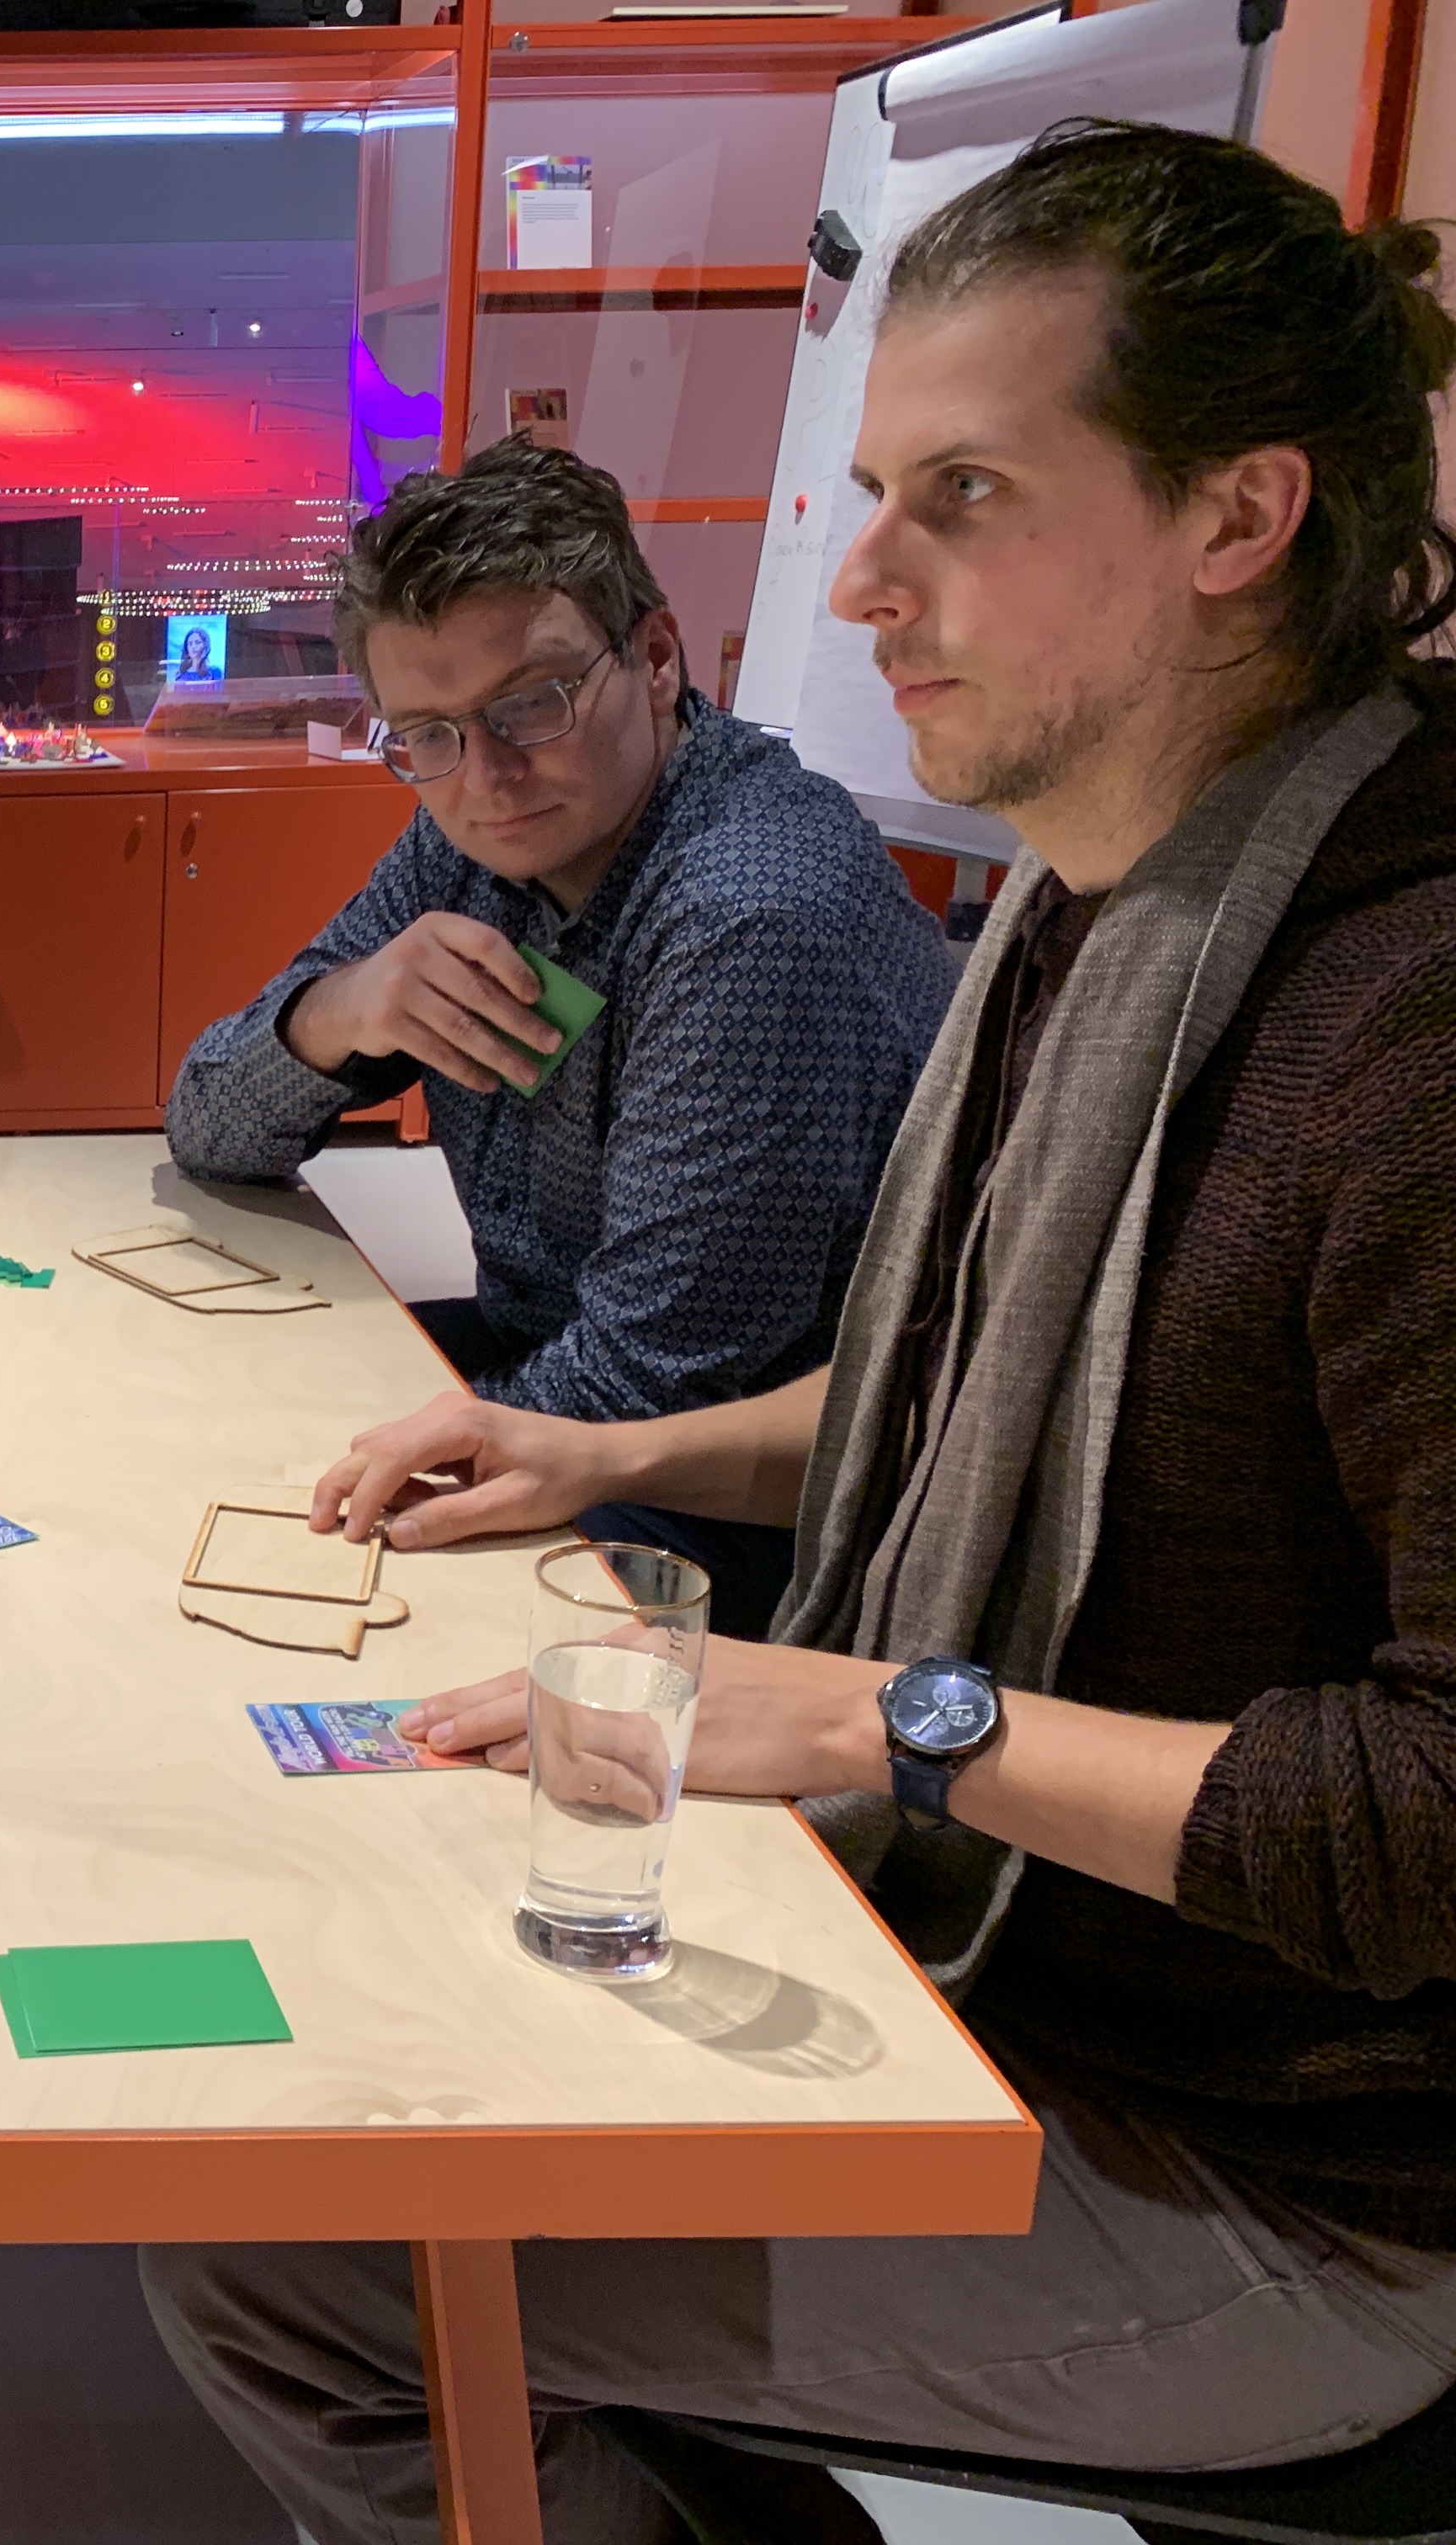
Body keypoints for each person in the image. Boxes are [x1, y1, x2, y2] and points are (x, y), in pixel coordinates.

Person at [146, 121, 1456, 2545]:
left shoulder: (1396, 1024)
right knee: (338, 2014)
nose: (856, 580)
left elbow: (1429, 1817)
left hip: (1305, 2183)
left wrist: (883, 1716)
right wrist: (611, 1462)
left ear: (1240, 517)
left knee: (292, 2241)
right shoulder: (1114, 913)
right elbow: (973, 1402)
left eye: (961, 494)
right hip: (1011, 1955)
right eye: (872, 495)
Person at [165, 435, 955, 1634]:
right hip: (554, 1360)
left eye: (532, 704)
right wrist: (340, 1009)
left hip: (753, 1504)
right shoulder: (469, 842)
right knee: (210, 1412)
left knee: (306, 1549)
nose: (485, 776)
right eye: (428, 734)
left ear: (655, 657)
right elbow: (207, 1123)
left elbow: (651, 1383)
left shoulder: (753, 909)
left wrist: (358, 1462)